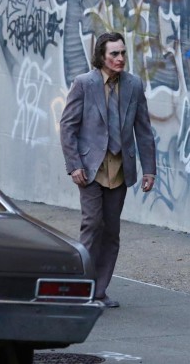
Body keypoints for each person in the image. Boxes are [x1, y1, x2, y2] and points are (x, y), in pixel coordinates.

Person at [60, 32, 156, 308]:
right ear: (101, 56)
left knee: (111, 231)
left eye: (123, 53)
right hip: (91, 168)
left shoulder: (133, 85)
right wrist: (74, 165)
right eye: (114, 53)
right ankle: (82, 290)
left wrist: (149, 169)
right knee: (92, 225)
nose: (120, 58)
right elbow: (68, 127)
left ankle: (99, 292)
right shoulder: (84, 84)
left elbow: (144, 130)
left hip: (120, 169)